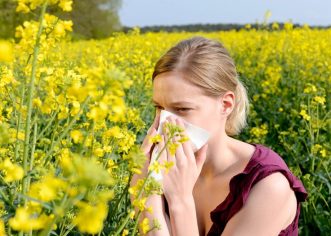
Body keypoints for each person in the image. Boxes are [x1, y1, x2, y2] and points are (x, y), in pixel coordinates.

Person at [130, 36, 308, 236]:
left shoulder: (267, 186)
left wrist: (180, 202)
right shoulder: (164, 168)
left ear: (226, 105)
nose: (166, 123)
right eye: (159, 108)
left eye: (182, 109)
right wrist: (147, 196)